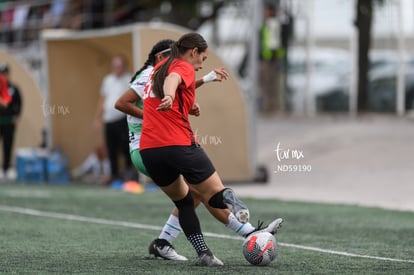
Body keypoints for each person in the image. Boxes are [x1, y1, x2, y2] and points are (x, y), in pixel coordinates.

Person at [115, 39, 282, 262]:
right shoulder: (172, 68)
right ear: (189, 53)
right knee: (207, 192)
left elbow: (175, 87)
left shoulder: (156, 72)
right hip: (171, 143)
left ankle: (177, 246)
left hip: (149, 150)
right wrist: (170, 97)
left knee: (188, 199)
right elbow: (171, 82)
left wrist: (190, 93)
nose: (201, 64)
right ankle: (248, 230)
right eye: (201, 58)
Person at [94, 54, 133, 184]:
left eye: (119, 66)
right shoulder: (108, 80)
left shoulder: (129, 79)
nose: (117, 68)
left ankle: (128, 172)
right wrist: (97, 118)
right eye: (115, 66)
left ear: (124, 67)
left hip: (122, 118)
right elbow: (102, 99)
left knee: (126, 146)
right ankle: (114, 174)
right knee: (110, 148)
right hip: (108, 119)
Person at [0, 63, 22, 180]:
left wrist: (17, 116)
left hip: (8, 122)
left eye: (5, 73)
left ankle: (6, 169)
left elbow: (19, 103)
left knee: (7, 146)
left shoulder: (13, 89)